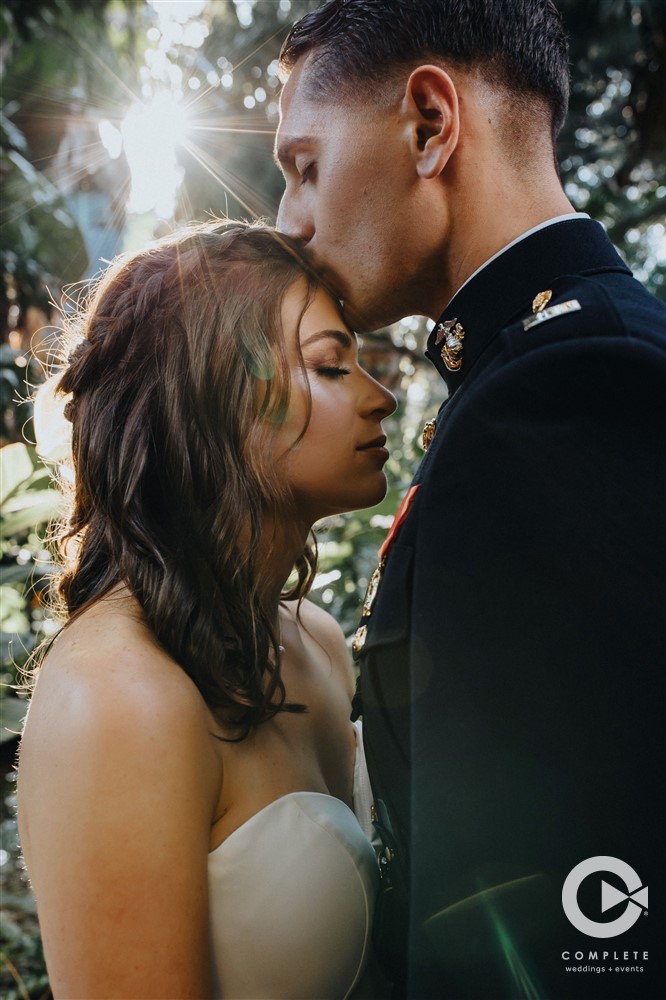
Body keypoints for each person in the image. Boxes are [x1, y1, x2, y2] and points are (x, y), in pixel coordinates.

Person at [275, 2, 666, 997]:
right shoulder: (544, 362)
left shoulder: (571, 389)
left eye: (306, 166)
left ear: (430, 124)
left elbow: (578, 916)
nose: (291, 221)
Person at [17, 220, 396, 999]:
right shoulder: (118, 697)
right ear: (217, 398)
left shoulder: (315, 642)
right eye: (331, 365)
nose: (381, 397)